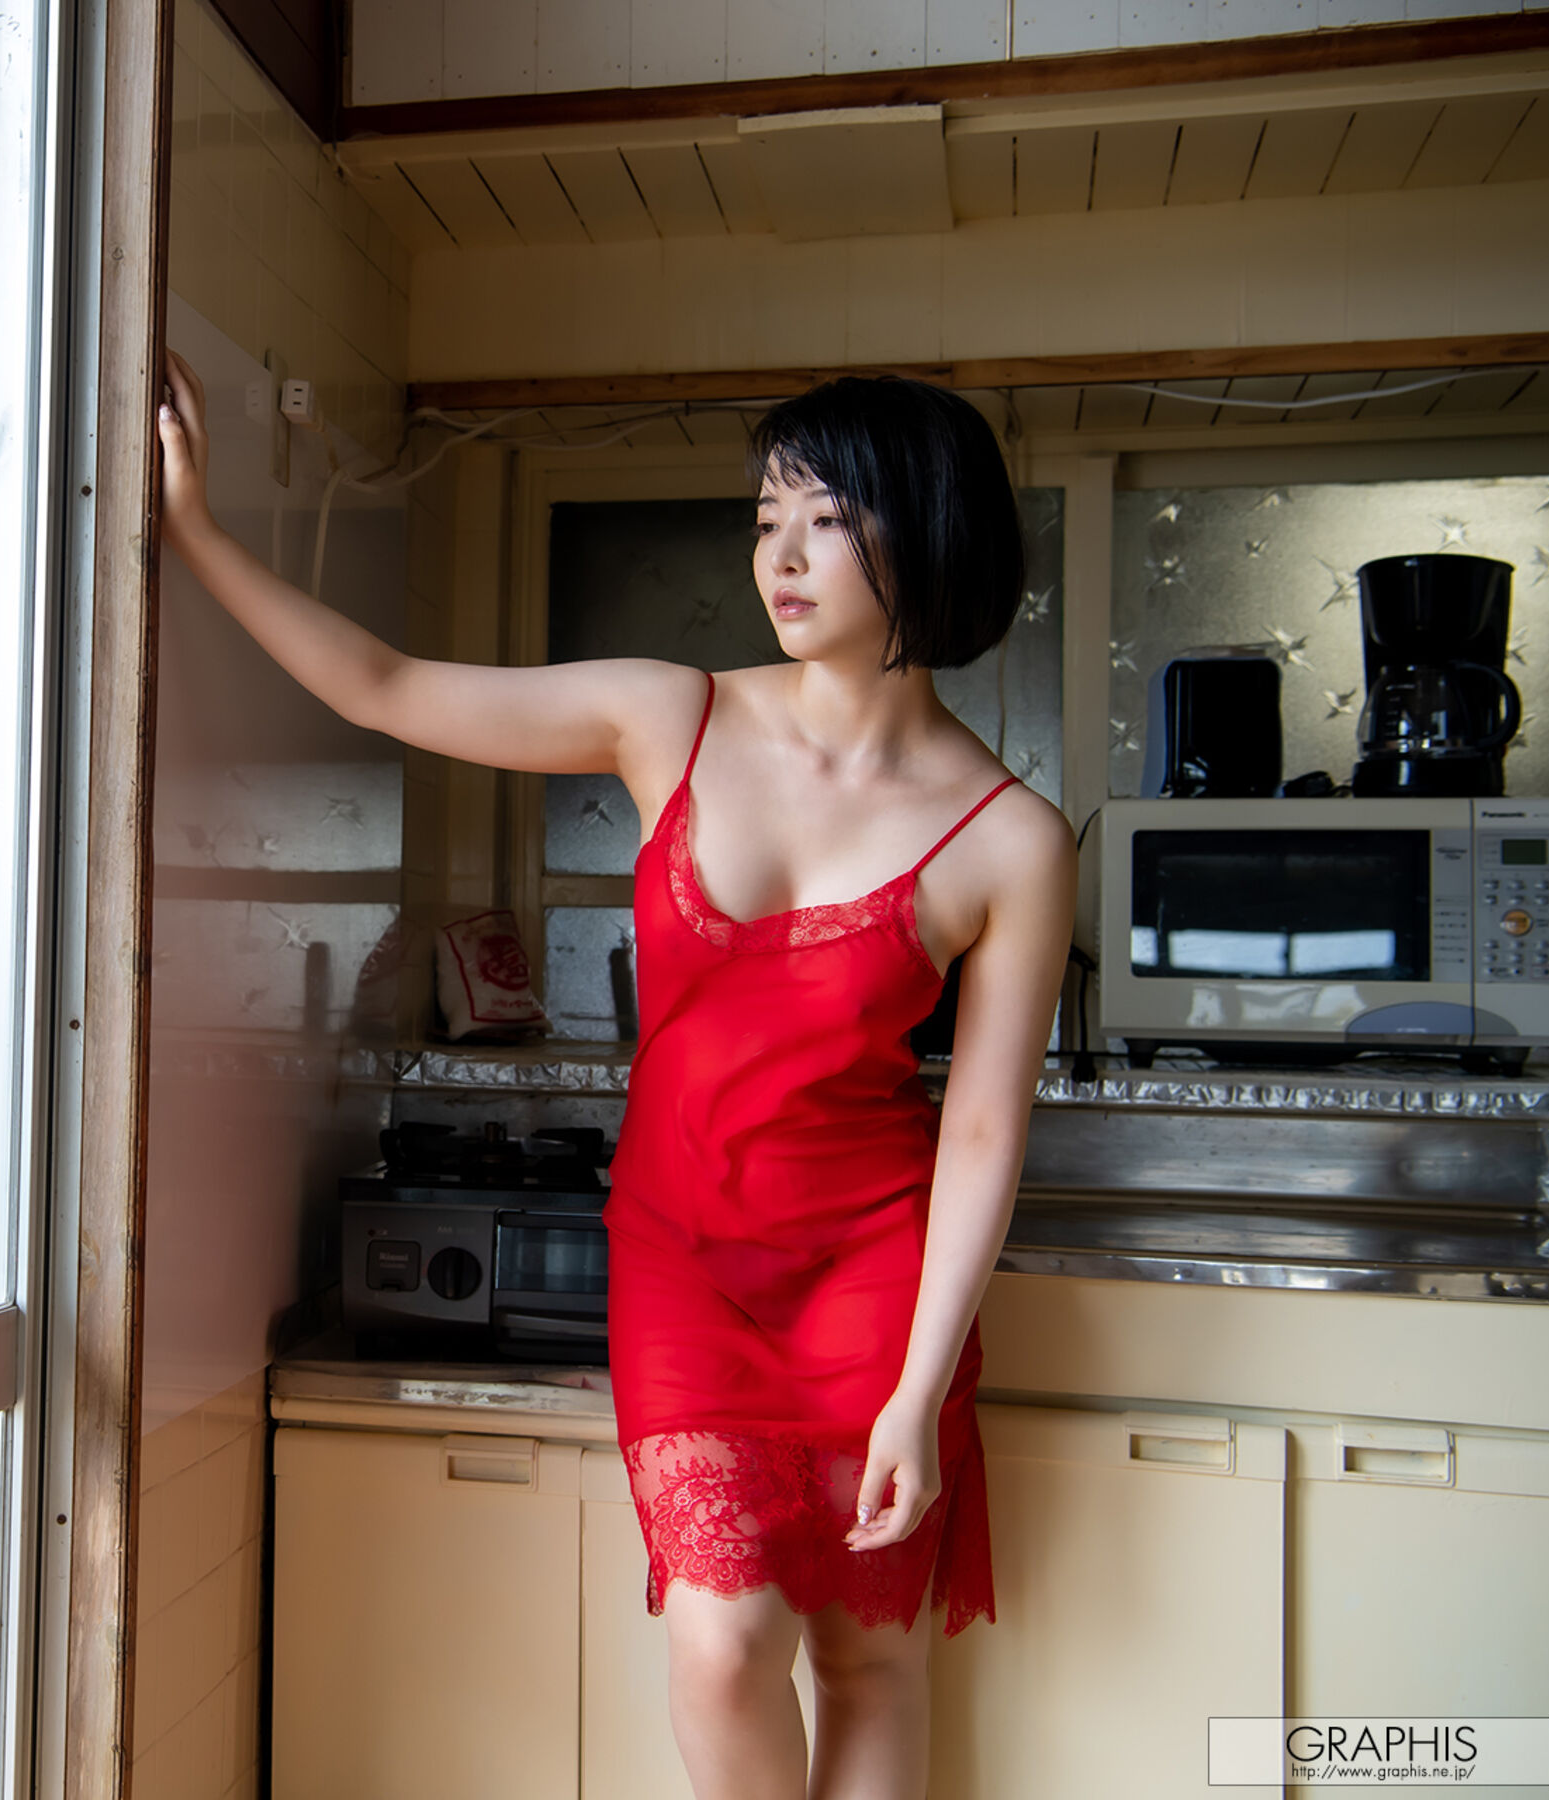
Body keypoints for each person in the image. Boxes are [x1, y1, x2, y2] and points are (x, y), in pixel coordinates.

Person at [152, 355, 1076, 1800]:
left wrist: (916, 1389)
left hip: (876, 1279)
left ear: (929, 527)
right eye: (765, 517)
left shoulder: (1013, 839)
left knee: (869, 1659)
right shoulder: (671, 713)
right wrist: (198, 528)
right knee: (723, 1644)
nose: (779, 555)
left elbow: (980, 1132)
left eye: (827, 519)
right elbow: (388, 688)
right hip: (682, 1261)